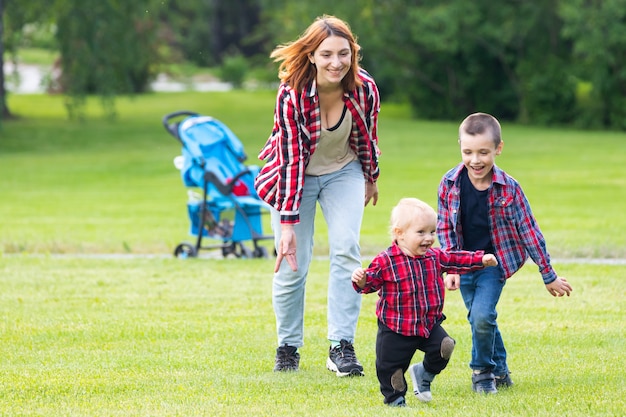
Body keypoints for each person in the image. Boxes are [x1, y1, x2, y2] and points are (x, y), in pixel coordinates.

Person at [254, 15, 381, 375]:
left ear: (352, 53)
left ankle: (341, 346)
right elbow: (292, 161)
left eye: (344, 53)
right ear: (311, 55)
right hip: (296, 178)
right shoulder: (292, 94)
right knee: (293, 263)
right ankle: (288, 347)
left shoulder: (364, 88)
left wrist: (371, 177)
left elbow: (367, 137)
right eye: (326, 54)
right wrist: (289, 224)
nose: (336, 62)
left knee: (346, 250)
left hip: (344, 171)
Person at [437, 112, 573, 394]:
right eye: (468, 152)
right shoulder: (449, 183)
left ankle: (482, 371)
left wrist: (548, 275)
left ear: (498, 149)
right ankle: (501, 370)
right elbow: (444, 228)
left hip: (494, 264)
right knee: (480, 318)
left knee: (482, 316)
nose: (476, 160)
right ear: (460, 147)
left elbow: (530, 232)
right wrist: (450, 267)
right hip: (464, 265)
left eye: (484, 152)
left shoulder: (509, 188)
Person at [352, 198, 498, 406]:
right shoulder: (386, 260)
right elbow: (369, 284)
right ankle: (395, 399)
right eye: (421, 232)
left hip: (427, 324)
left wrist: (480, 260)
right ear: (399, 233)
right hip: (396, 328)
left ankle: (424, 375)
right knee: (391, 369)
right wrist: (362, 279)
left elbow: (455, 258)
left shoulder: (433, 257)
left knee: (445, 346)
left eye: (432, 232)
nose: (429, 238)